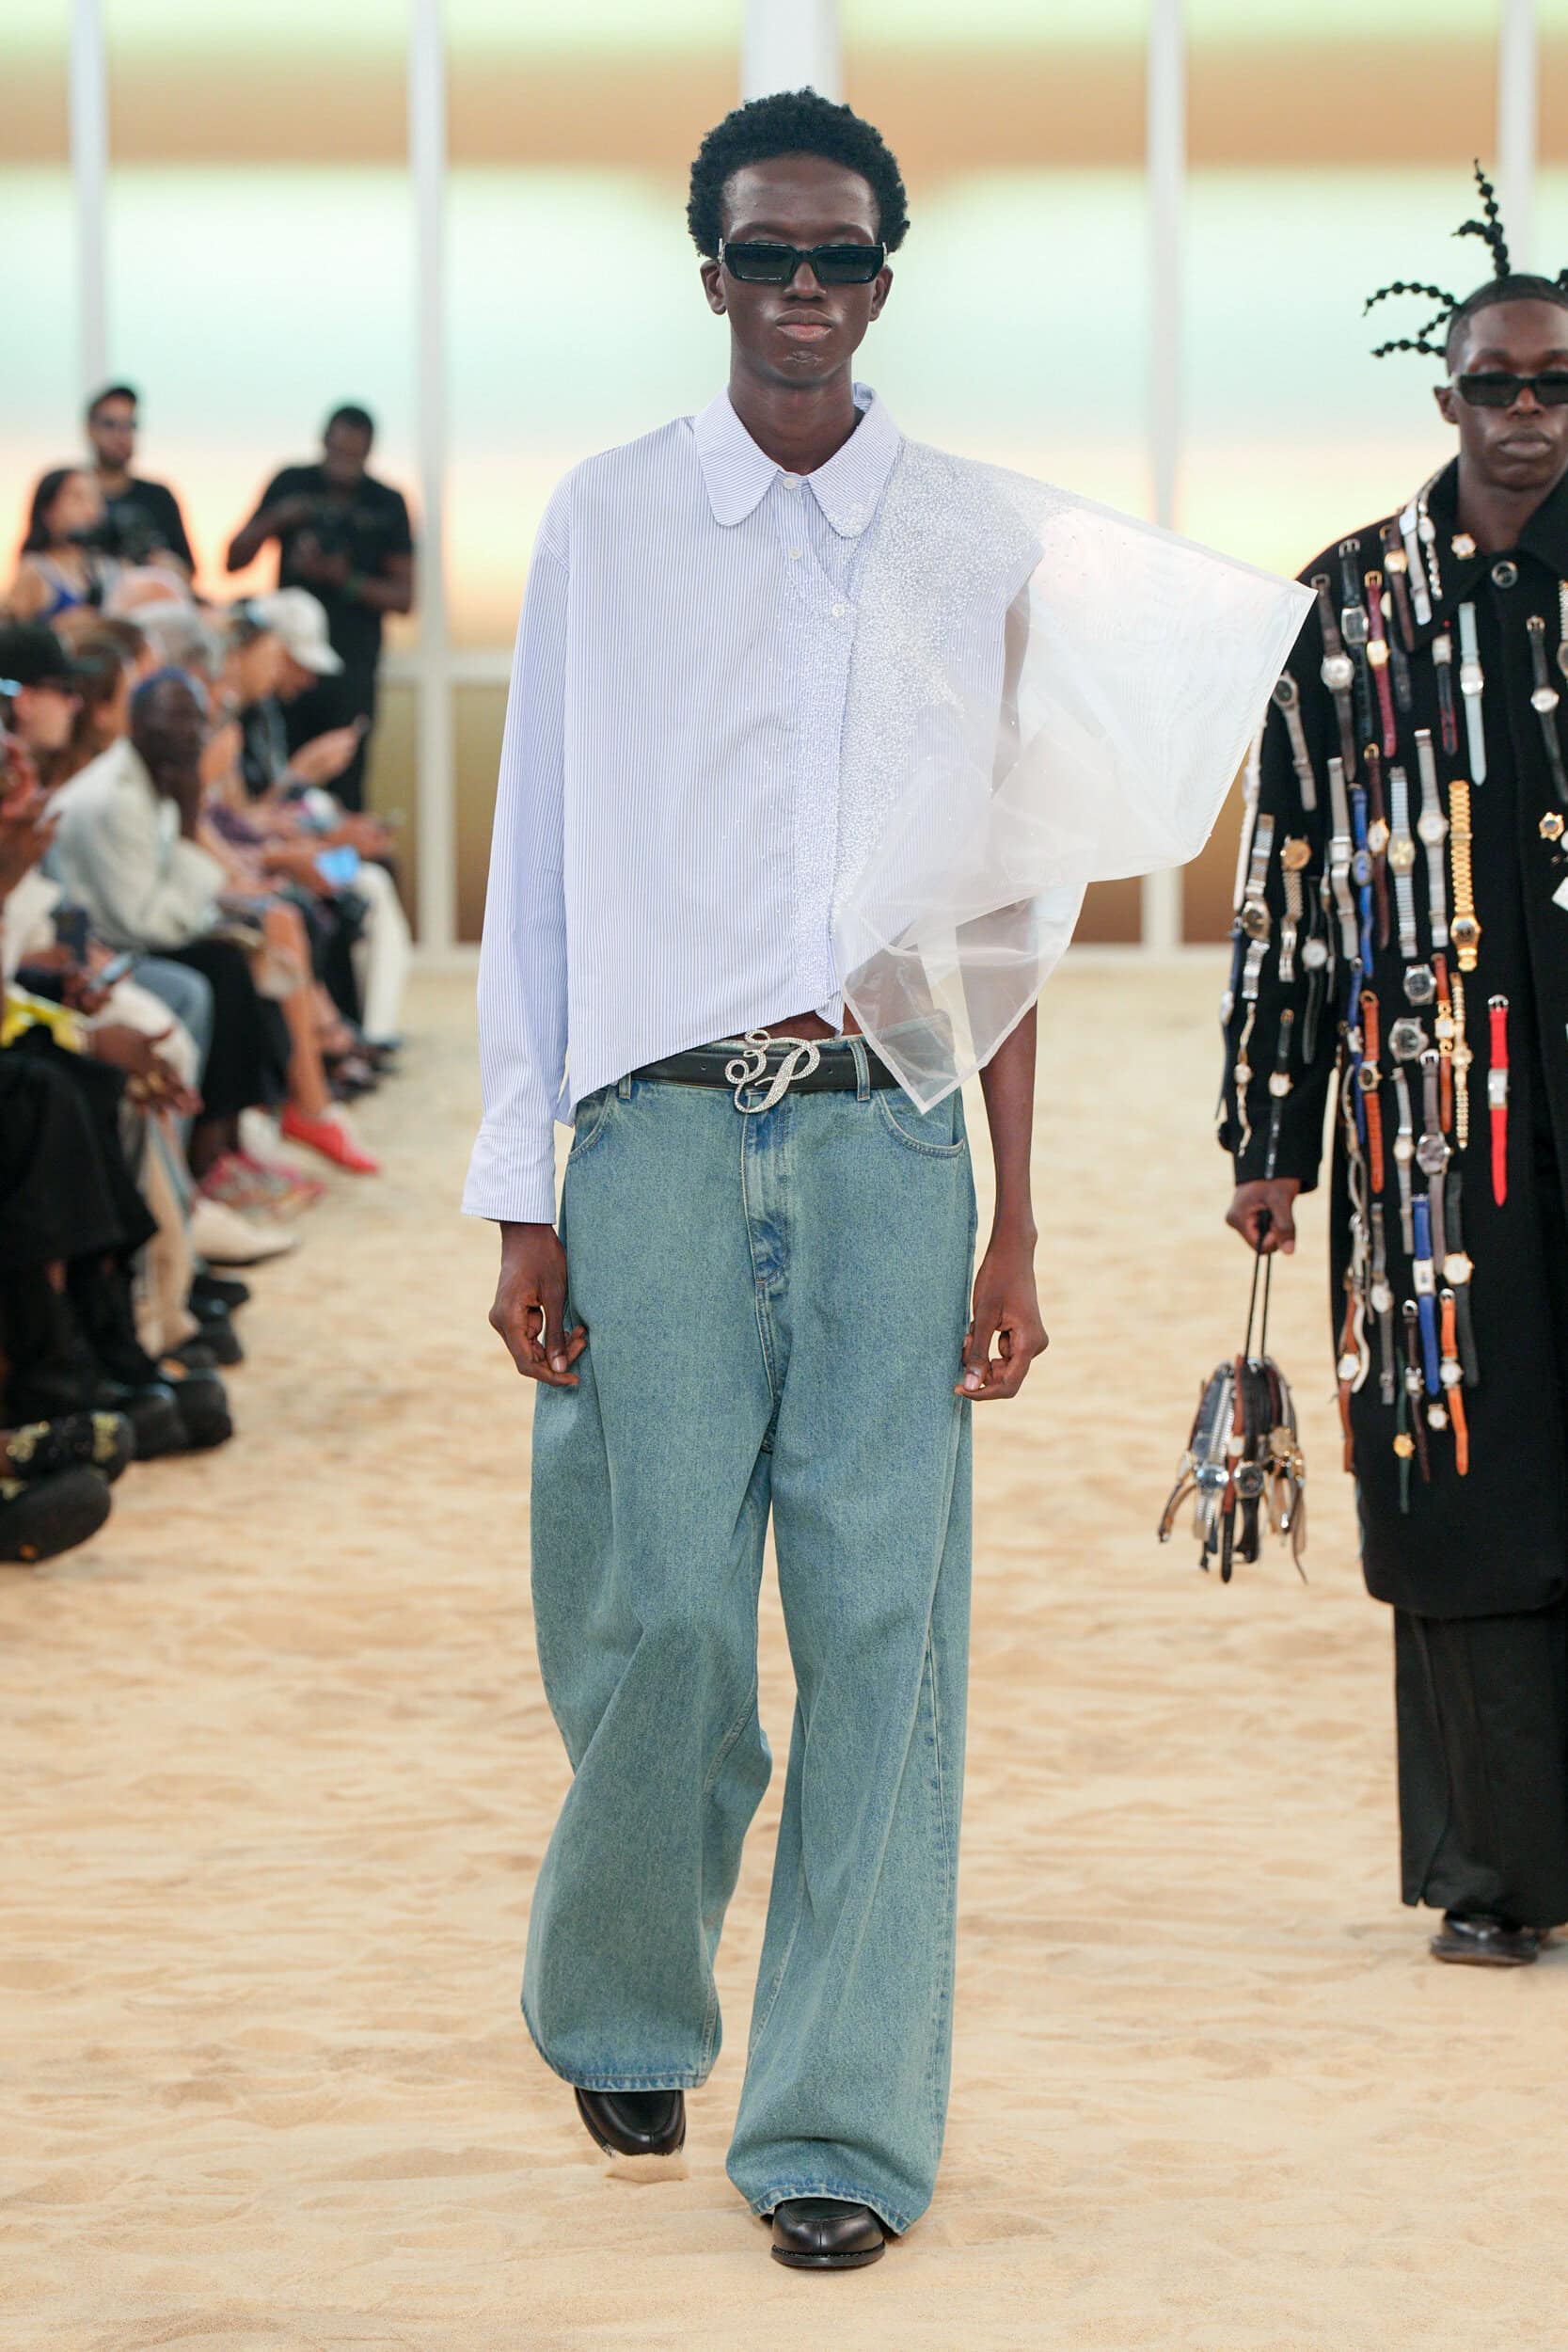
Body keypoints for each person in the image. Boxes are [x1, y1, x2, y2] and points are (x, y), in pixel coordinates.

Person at [466, 88, 1299, 2269]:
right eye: (765, 253)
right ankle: (625, 1983)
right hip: (654, 1138)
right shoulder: (606, 520)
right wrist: (517, 1188)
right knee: (654, 1609)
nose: (802, 292)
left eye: (838, 257)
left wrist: (1012, 1220)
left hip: (888, 1146)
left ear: (882, 281)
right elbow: (534, 861)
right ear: (710, 271)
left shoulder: (965, 544)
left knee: (881, 1636)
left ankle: (833, 2126)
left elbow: (1000, 908)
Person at [1220, 166, 1568, 1969]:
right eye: (1492, 384)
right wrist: (1268, 1128)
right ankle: (1490, 1875)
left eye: (1553, 385)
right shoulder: (1345, 612)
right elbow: (1284, 883)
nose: (1523, 413)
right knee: (1460, 1468)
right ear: (1444, 399)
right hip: (1431, 1134)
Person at [225, 406, 414, 811]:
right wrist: (280, 517)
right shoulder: (293, 485)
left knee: (344, 783)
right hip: (288, 668)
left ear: (368, 453)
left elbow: (404, 597)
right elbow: (233, 560)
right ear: (324, 442)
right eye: (337, 452)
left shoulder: (385, 504)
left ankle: (337, 848)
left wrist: (342, 578)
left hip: (351, 668)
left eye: (353, 455)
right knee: (275, 773)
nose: (342, 464)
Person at [84, 383, 197, 576]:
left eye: (130, 425)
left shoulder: (159, 497)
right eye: (110, 424)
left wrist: (161, 564)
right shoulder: (67, 495)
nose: (121, 436)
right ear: (90, 429)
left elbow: (187, 571)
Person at [8, 469, 120, 624]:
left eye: (96, 499)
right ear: (47, 510)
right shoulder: (36, 570)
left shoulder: (110, 568)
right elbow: (13, 632)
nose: (90, 510)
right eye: (77, 498)